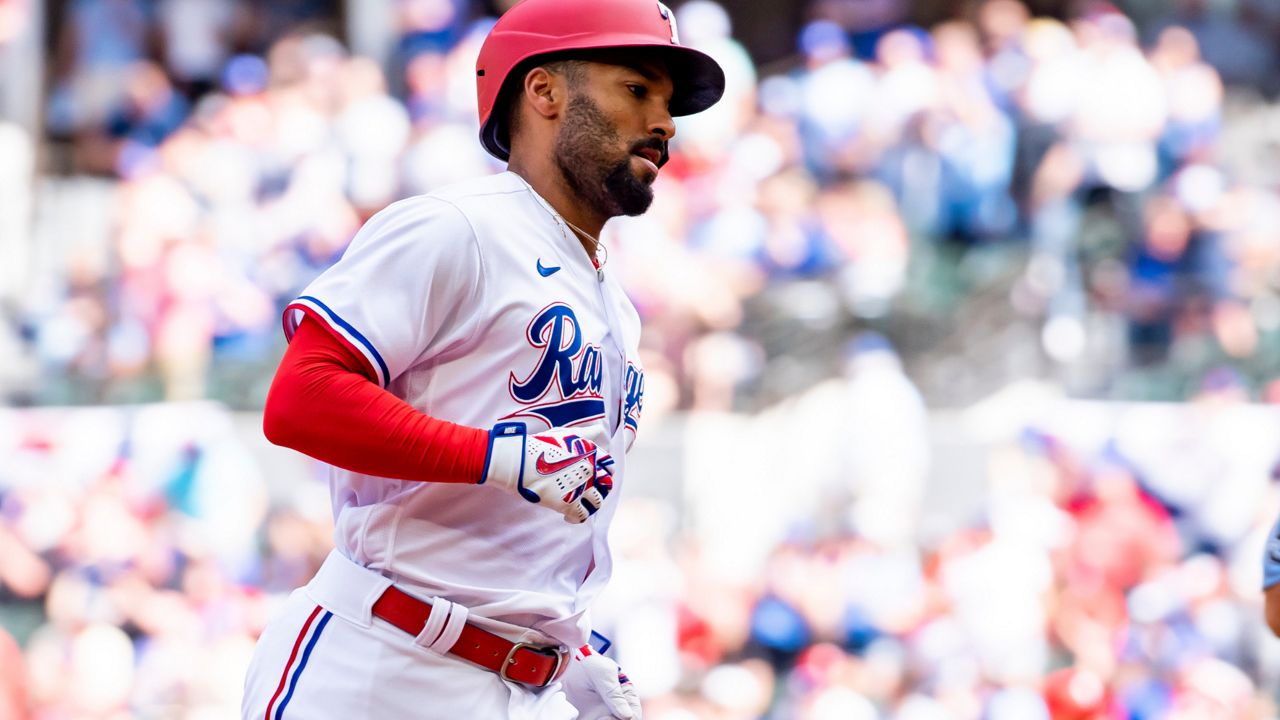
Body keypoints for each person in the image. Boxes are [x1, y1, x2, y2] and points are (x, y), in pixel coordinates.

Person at [239, 1, 724, 718]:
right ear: (544, 91)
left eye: (667, 102)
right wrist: (496, 456)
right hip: (384, 665)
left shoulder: (612, 300)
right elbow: (301, 398)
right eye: (636, 88)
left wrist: (571, 649)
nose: (664, 122)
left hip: (519, 686)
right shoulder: (456, 227)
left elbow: (527, 523)